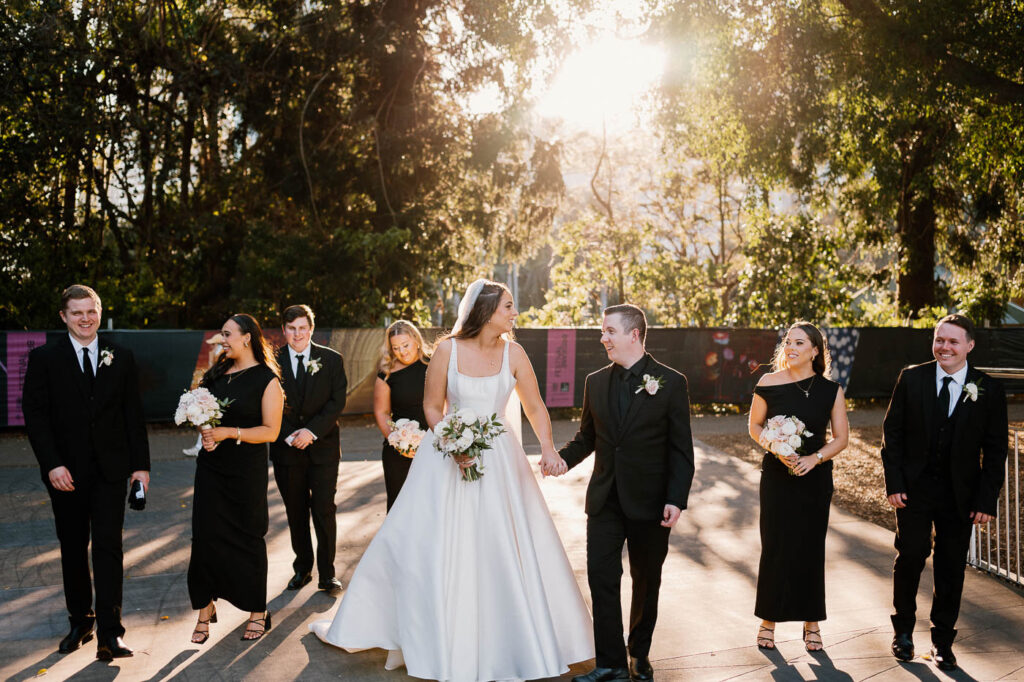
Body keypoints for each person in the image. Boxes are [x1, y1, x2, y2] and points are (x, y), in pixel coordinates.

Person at [311, 279, 594, 682]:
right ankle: (434, 633)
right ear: (486, 310)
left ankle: (511, 638)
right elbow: (431, 405)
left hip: (500, 461)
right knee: (426, 542)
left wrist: (548, 448)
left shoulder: (515, 352)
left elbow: (534, 405)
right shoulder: (447, 350)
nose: (515, 313)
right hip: (447, 457)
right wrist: (452, 442)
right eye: (509, 306)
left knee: (502, 543)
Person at [559, 304, 695, 682]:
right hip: (604, 499)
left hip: (651, 503)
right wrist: (561, 461)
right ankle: (610, 663)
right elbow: (587, 438)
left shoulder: (671, 381)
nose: (603, 338)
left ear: (633, 334)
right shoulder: (595, 382)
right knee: (602, 578)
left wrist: (675, 498)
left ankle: (639, 653)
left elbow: (681, 450)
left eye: (609, 331)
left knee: (646, 580)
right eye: (603, 331)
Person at [22, 284, 150, 660]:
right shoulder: (45, 358)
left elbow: (132, 414)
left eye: (90, 311)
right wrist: (51, 465)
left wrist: (140, 466)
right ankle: (81, 621)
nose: (85, 318)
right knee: (73, 548)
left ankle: (111, 632)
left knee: (110, 548)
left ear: (99, 311)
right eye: (76, 312)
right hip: (66, 473)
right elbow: (36, 415)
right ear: (64, 316)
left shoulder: (121, 355)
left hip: (111, 471)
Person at [882, 314, 1007, 671]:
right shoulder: (911, 378)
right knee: (909, 556)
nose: (945, 347)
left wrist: (986, 499)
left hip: (962, 496)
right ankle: (903, 633)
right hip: (914, 492)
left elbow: (996, 451)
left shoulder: (988, 389)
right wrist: (895, 483)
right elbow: (893, 435)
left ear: (969, 345)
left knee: (951, 567)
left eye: (953, 341)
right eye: (940, 340)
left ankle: (942, 642)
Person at [747, 322, 848, 652]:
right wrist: (777, 447)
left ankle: (812, 623)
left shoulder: (831, 390)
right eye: (788, 342)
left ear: (815, 351)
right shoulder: (768, 382)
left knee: (809, 548)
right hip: (777, 476)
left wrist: (814, 459)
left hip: (815, 479)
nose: (790, 347)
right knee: (775, 547)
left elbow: (841, 439)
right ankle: (768, 621)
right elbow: (755, 426)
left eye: (799, 342)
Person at [187, 314, 284, 644]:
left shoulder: (266, 380)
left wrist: (229, 432)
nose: (221, 339)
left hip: (246, 471)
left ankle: (258, 611)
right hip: (212, 467)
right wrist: (206, 429)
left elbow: (271, 430)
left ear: (247, 338)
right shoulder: (215, 373)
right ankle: (205, 608)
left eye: (227, 334)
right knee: (204, 536)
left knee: (248, 537)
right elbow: (198, 407)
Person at [269, 304, 348, 594]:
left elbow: (337, 401)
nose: (297, 333)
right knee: (295, 511)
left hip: (323, 448)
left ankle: (327, 573)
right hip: (287, 449)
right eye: (292, 328)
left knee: (324, 510)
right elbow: (267, 403)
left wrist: (311, 431)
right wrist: (289, 434)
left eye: (303, 328)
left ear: (311, 329)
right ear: (284, 330)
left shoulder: (331, 360)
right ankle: (302, 568)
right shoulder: (271, 362)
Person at [373, 319, 430, 511]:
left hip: (432, 446)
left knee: (430, 504)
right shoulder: (387, 373)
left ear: (416, 340)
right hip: (398, 450)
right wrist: (397, 441)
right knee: (400, 506)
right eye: (396, 348)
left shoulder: (434, 364)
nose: (402, 351)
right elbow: (382, 412)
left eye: (405, 345)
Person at [183, 333, 225, 457]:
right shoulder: (215, 351)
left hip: (216, 387)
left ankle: (201, 446)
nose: (211, 345)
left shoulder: (221, 352)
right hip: (212, 385)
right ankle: (200, 446)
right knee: (205, 418)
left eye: (213, 343)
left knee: (207, 418)